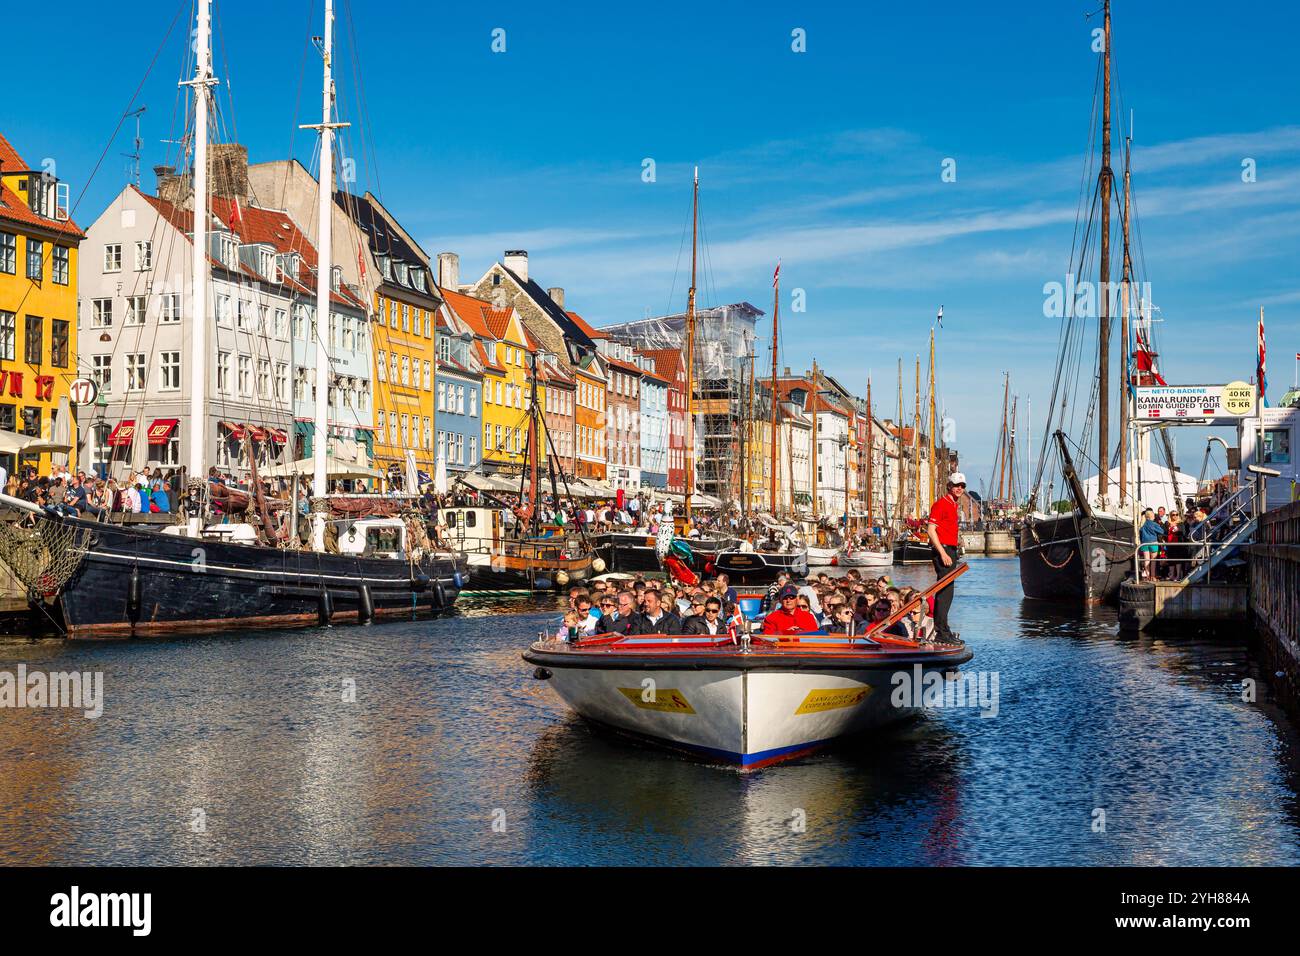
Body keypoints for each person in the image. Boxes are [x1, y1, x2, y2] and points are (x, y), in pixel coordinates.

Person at [925, 472, 967, 644]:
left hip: (950, 549)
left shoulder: (953, 505)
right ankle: (941, 632)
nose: (959, 488)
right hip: (943, 551)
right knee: (944, 592)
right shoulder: (941, 504)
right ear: (949, 486)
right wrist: (942, 552)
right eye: (956, 485)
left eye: (962, 486)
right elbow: (930, 530)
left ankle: (944, 630)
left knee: (947, 592)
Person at [1139, 508, 1164, 581]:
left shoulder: (1143, 524)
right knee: (1153, 560)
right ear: (1151, 516)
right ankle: (1153, 576)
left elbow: (1140, 535)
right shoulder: (1154, 524)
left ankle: (1147, 575)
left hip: (1144, 543)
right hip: (1153, 543)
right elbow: (1161, 531)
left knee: (1146, 559)